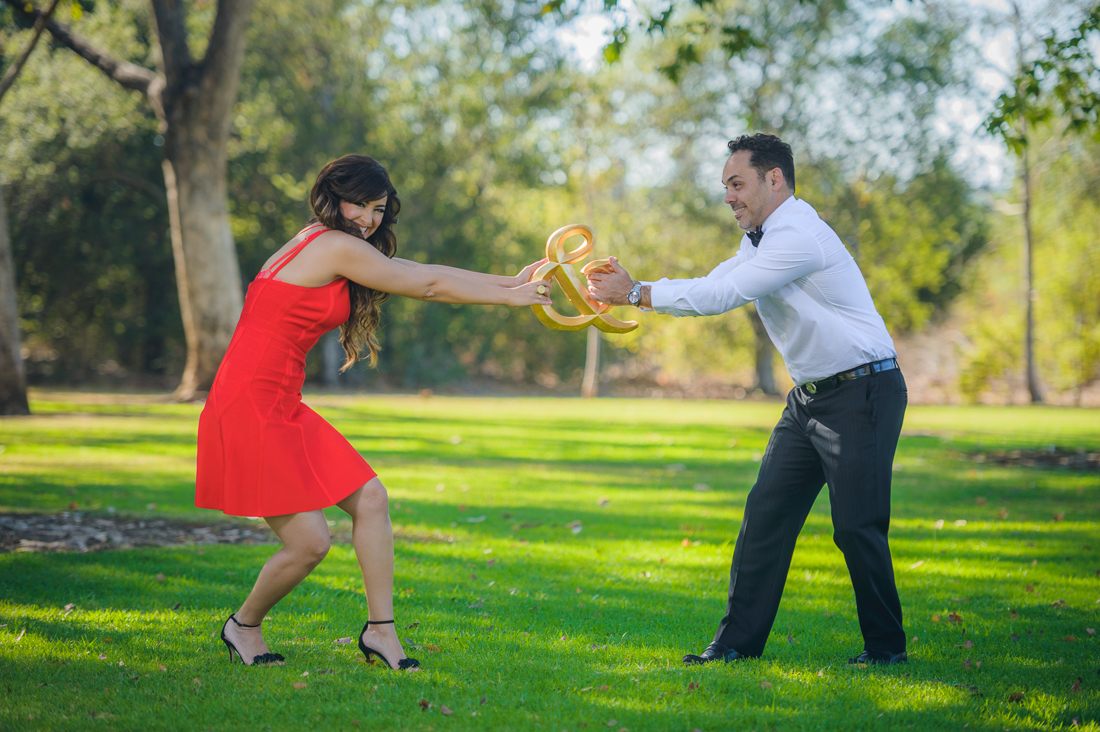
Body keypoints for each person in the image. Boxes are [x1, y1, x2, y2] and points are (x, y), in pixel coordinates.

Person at [195, 154, 552, 670]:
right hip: (249, 404)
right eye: (357, 203)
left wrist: (508, 281)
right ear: (333, 198)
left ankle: (380, 632)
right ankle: (243, 626)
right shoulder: (334, 245)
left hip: (278, 401)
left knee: (371, 498)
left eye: (377, 208)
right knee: (310, 544)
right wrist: (513, 300)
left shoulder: (328, 242)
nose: (366, 217)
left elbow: (414, 271)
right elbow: (426, 287)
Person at [585, 133, 908, 666]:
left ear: (774, 179)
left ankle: (886, 648)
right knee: (765, 519)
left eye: (738, 184)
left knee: (856, 528)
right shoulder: (757, 239)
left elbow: (723, 297)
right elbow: (713, 282)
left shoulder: (799, 234)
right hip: (809, 399)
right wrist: (638, 289)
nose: (729, 196)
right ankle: (733, 645)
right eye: (725, 186)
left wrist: (637, 292)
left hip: (863, 391)